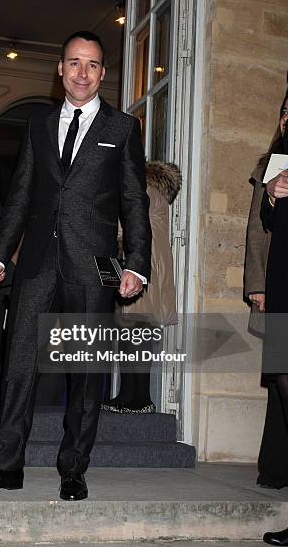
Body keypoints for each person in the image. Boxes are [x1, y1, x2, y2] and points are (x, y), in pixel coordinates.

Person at [0, 30, 152, 500]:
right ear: (60, 70)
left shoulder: (122, 128)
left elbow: (134, 201)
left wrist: (137, 264)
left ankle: (73, 470)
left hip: (94, 265)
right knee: (18, 366)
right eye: (73, 63)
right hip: (37, 265)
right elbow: (21, 194)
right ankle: (6, 466)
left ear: (103, 74)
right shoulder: (40, 125)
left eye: (91, 64)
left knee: (84, 375)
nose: (82, 72)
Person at [243, 92, 288, 546]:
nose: (287, 118)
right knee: (280, 382)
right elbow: (259, 230)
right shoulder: (275, 160)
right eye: (285, 110)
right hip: (280, 282)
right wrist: (257, 284)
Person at [103, 160, 181, 413]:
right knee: (132, 332)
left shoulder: (145, 189)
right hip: (144, 262)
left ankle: (139, 398)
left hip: (144, 263)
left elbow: (126, 220)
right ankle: (132, 396)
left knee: (135, 331)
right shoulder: (149, 188)